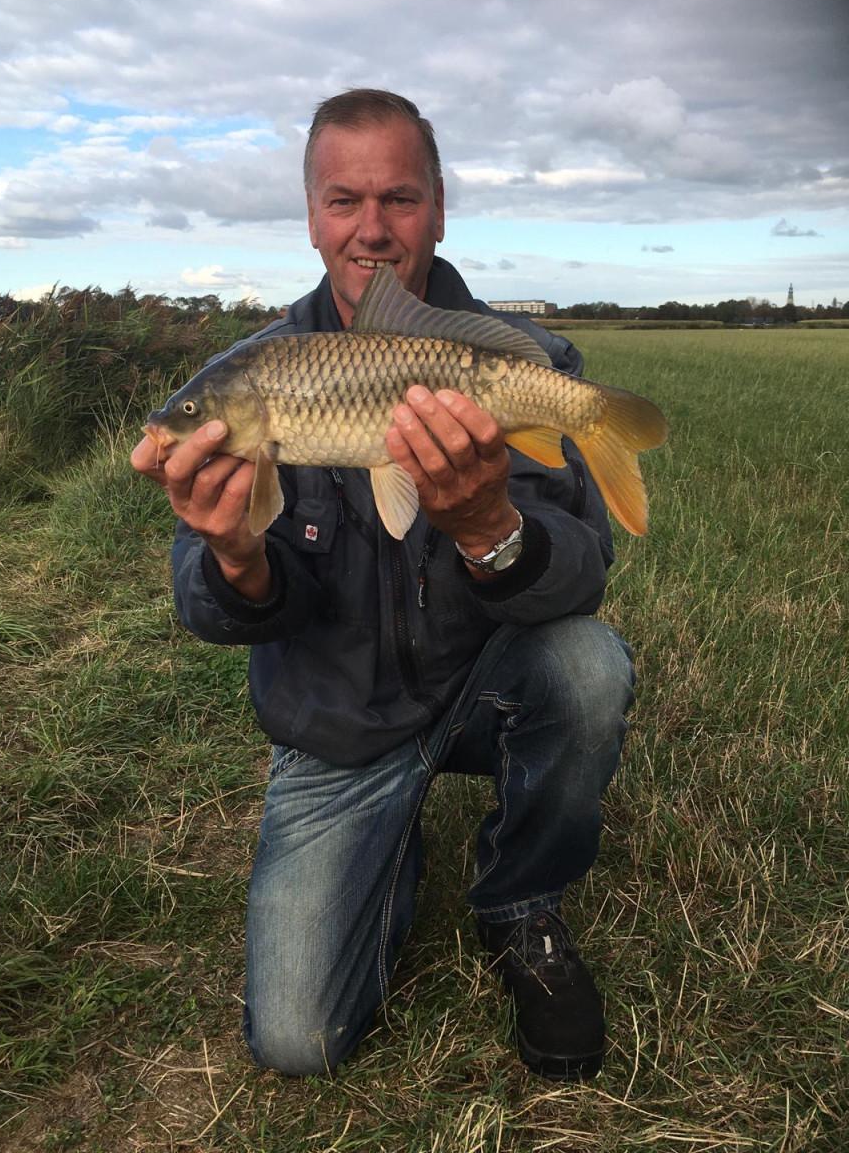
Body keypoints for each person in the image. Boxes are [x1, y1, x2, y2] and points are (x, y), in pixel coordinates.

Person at [131, 88, 634, 1080]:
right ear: (313, 215)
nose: (372, 229)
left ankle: (520, 897)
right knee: (297, 1038)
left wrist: (492, 529)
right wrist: (237, 555)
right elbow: (202, 601)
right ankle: (381, 837)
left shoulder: (511, 358)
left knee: (588, 663)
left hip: (478, 688)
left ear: (439, 208)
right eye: (345, 200)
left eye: (399, 198)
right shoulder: (262, 368)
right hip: (343, 723)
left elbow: (584, 571)